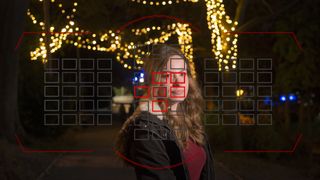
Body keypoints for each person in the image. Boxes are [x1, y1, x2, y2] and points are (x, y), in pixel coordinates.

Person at [116, 44, 215, 180]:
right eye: (168, 75)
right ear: (153, 81)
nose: (178, 82)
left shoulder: (190, 120)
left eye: (182, 73)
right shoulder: (147, 129)